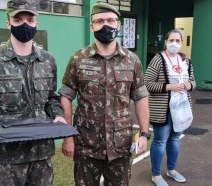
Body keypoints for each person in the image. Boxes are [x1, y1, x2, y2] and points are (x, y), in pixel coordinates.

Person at [0, 0, 66, 185]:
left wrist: (57, 114)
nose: (25, 24)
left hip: (41, 155)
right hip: (6, 158)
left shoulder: (48, 60)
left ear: (36, 23)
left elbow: (51, 98)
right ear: (8, 23)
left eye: (30, 19)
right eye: (18, 19)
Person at [58, 2, 150, 186]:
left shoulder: (131, 60)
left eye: (110, 20)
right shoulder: (79, 58)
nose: (105, 25)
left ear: (118, 24)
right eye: (99, 21)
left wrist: (144, 134)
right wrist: (68, 136)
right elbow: (66, 96)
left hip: (120, 145)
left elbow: (140, 97)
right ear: (91, 26)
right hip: (86, 146)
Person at [144, 29, 196, 186]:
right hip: (163, 109)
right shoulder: (158, 59)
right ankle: (156, 175)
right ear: (166, 41)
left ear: (181, 43)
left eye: (178, 41)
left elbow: (193, 81)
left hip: (180, 108)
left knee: (174, 139)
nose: (175, 43)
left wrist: (188, 85)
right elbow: (148, 83)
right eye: (171, 40)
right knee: (160, 141)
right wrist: (170, 86)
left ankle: (172, 170)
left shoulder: (185, 61)